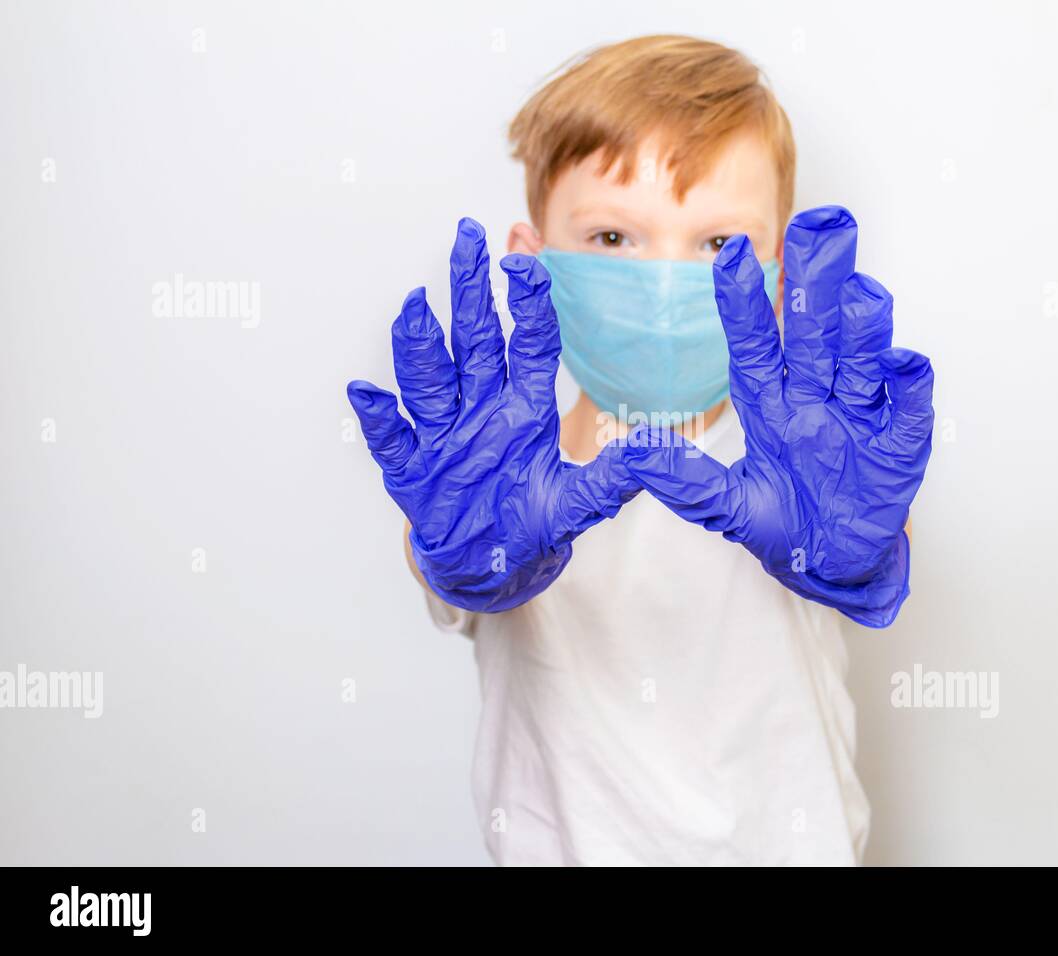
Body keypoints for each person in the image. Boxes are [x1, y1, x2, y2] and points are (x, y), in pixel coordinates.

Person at [346, 35, 934, 865]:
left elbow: (884, 543)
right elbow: (439, 555)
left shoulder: (807, 466)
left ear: (776, 273)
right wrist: (448, 550)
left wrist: (865, 552)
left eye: (717, 245)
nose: (664, 283)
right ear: (530, 260)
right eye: (614, 239)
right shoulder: (502, 475)